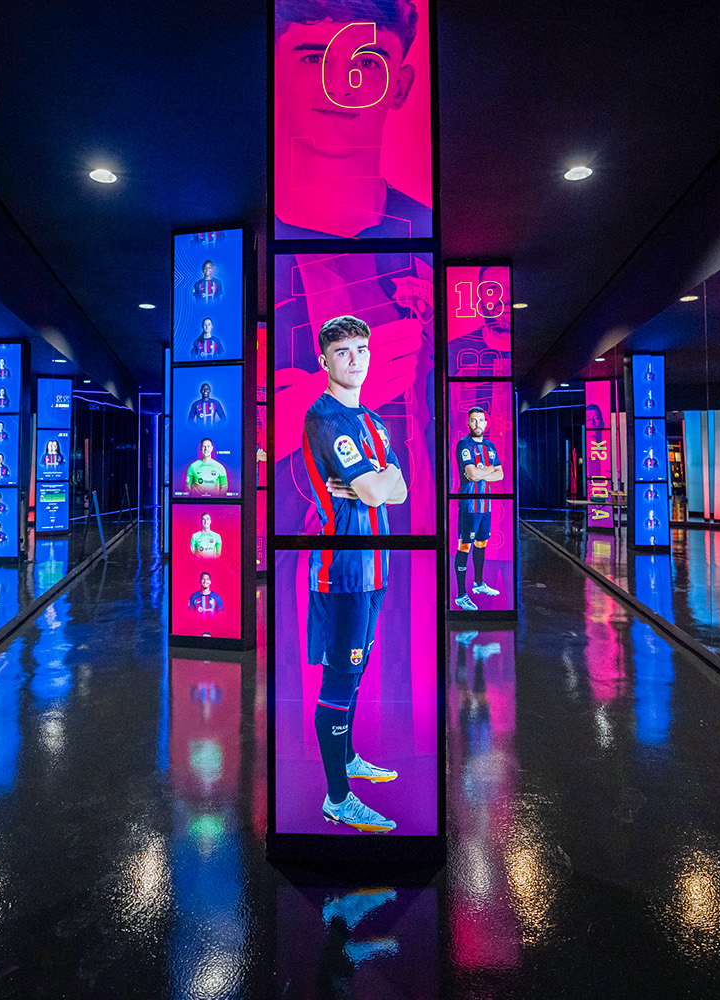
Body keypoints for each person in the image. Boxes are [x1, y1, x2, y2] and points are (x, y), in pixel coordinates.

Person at [299, 314, 408, 833]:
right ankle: (337, 799)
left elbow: (400, 489)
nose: (355, 359)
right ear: (324, 360)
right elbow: (373, 490)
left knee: (356, 670)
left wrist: (379, 481)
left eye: (361, 349)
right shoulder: (324, 418)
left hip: (375, 566)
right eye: (343, 352)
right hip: (341, 570)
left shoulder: (373, 420)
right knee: (340, 678)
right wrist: (377, 482)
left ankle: (347, 757)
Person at [273, 0, 427, 240]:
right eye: (314, 59)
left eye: (367, 63)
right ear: (274, 73)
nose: (339, 88)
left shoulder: (423, 230)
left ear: (399, 87)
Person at [454, 406, 503, 611]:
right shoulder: (464, 444)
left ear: (486, 423)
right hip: (469, 505)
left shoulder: (490, 446)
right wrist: (488, 471)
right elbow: (472, 475)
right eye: (474, 420)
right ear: (468, 422)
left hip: (486, 505)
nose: (477, 424)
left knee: (482, 543)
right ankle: (461, 595)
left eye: (481, 420)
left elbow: (500, 474)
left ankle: (478, 583)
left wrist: (482, 471)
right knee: (465, 546)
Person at [445, 267, 512, 377]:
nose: (504, 298)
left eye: (510, 287)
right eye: (493, 288)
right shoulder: (453, 353)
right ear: (479, 299)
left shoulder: (534, 345)